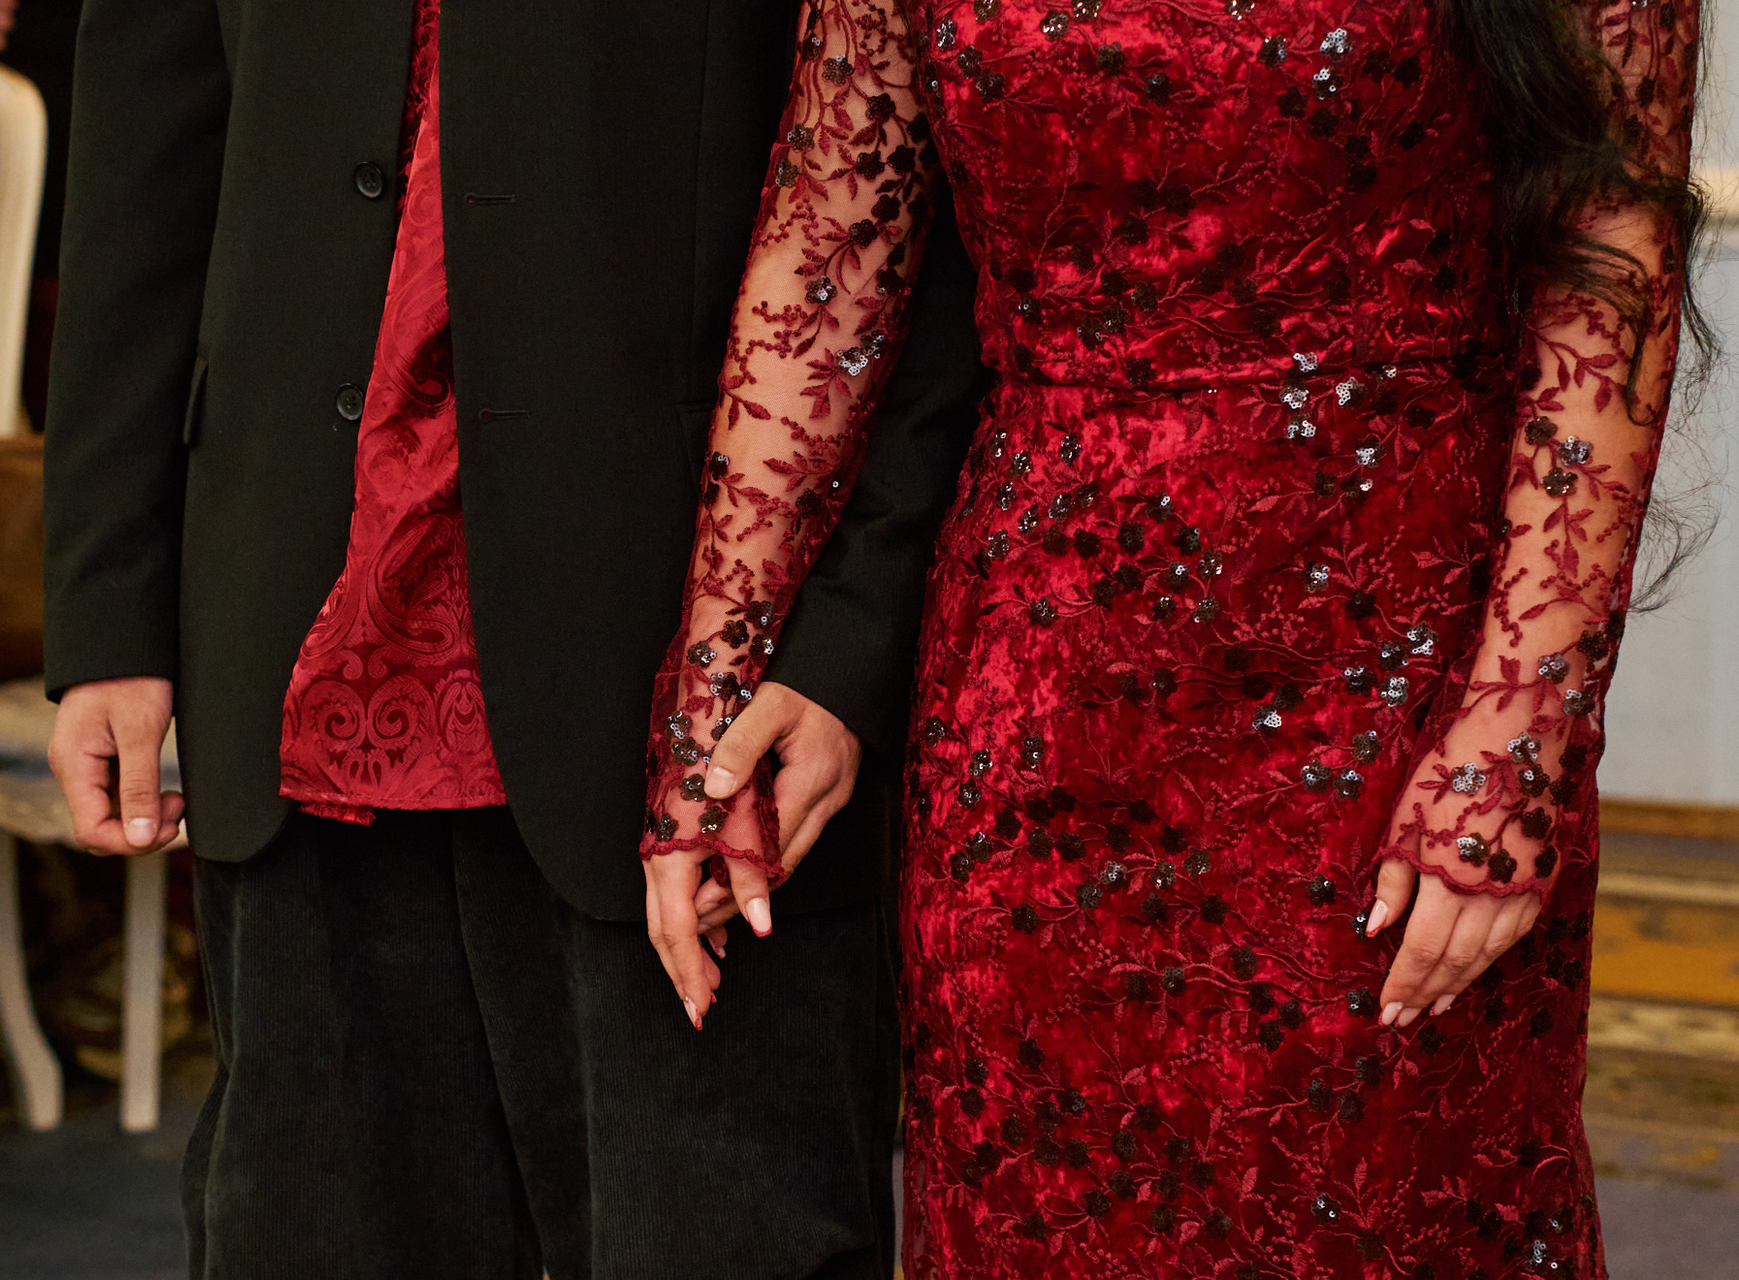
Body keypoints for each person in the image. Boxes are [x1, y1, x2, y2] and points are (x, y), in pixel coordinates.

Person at [649, 0, 1700, 1275]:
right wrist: (710, 698)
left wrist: (1519, 730)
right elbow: (826, 254)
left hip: (1395, 702)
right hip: (1032, 705)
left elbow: (1613, 258)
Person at [40, 0, 983, 1276]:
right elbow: (143, 146)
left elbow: (933, 199)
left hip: (689, 685)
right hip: (297, 644)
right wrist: (111, 602)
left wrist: (847, 640)